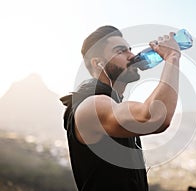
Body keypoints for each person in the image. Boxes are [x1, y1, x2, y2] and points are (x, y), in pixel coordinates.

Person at [60, 25, 181, 191]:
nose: (132, 56)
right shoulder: (91, 105)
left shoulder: (114, 104)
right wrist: (172, 57)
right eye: (121, 51)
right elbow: (153, 117)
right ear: (98, 63)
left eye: (130, 49)